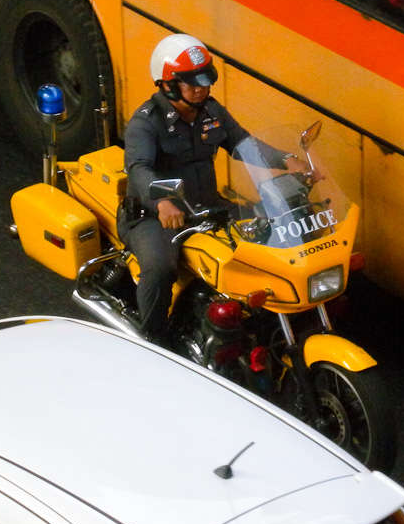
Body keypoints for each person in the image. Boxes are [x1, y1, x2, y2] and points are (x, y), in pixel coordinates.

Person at [119, 34, 310, 341]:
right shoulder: (146, 122)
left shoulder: (212, 112)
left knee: (272, 231)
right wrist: (163, 204)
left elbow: (243, 143)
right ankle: (152, 342)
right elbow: (139, 169)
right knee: (160, 270)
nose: (201, 89)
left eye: (205, 81)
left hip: (207, 207)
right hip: (154, 217)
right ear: (167, 85)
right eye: (191, 83)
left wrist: (287, 160)